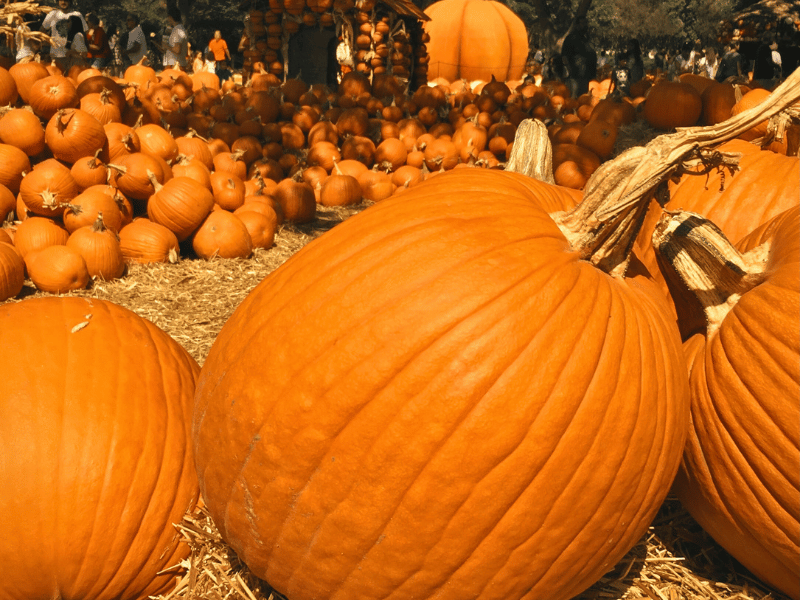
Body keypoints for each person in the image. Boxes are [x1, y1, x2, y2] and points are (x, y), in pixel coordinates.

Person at [40, 0, 86, 71]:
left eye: (66, 0)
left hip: (74, 55)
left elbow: (84, 32)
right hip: (57, 55)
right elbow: (42, 30)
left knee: (75, 78)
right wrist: (46, 43)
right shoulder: (52, 14)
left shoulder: (77, 15)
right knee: (59, 78)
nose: (63, 2)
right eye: (61, 0)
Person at [560, 15, 596, 97]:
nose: (585, 25)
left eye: (586, 23)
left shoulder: (587, 39)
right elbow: (564, 56)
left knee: (584, 100)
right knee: (575, 99)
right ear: (576, 25)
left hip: (588, 75)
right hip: (575, 76)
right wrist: (570, 70)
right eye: (583, 23)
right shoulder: (571, 38)